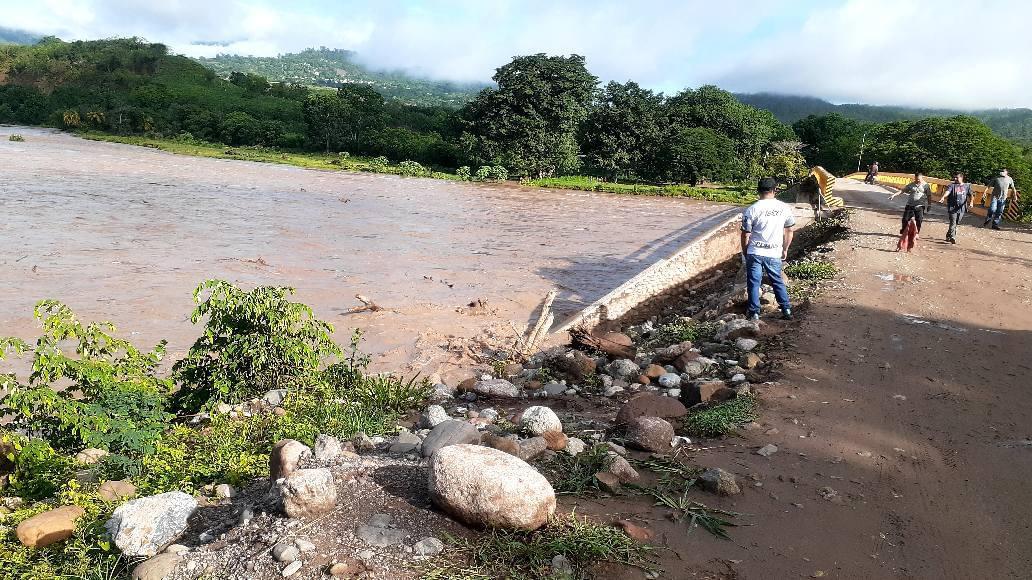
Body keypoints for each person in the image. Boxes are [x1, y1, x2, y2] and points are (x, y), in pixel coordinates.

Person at [741, 177, 795, 321]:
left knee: (753, 282)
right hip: (774, 252)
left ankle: (754, 313)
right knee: (777, 280)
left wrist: (745, 251)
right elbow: (789, 230)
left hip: (755, 252)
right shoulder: (784, 208)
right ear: (775, 190)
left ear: (758, 190)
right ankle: (786, 310)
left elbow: (746, 234)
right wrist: (785, 249)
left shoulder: (752, 209)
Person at [939, 172, 973, 244]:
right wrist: (943, 197)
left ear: (961, 178)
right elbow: (947, 192)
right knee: (953, 222)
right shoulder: (952, 185)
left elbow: (971, 195)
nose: (955, 179)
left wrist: (971, 202)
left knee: (957, 222)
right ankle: (953, 237)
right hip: (952, 207)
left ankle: (948, 234)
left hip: (962, 208)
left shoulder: (967, 186)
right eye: (954, 177)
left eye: (956, 177)